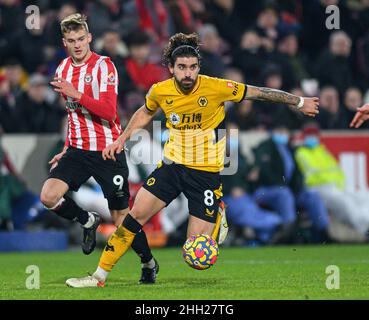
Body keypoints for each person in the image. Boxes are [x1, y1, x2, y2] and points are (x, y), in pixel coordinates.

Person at [66, 32, 319, 287]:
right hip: (172, 167)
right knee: (133, 217)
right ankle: (99, 276)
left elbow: (259, 93)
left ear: (199, 67)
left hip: (205, 174)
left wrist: (298, 101)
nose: (188, 73)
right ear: (171, 68)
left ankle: (218, 213)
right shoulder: (161, 91)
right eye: (182, 68)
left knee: (196, 257)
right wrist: (122, 138)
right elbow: (146, 112)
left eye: (193, 67)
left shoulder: (217, 87)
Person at [39, 13, 158, 284]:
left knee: (121, 219)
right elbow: (73, 114)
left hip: (107, 150)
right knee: (48, 197)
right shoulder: (62, 69)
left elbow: (109, 111)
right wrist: (67, 145)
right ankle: (88, 221)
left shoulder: (105, 66)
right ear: (64, 42)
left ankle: (148, 262)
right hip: (78, 151)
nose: (78, 45)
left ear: (90, 37)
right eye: (71, 40)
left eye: (81, 39)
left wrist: (77, 94)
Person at [252, 122, 332, 243]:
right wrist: (285, 186)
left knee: (312, 195)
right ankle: (288, 232)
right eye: (279, 131)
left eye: (284, 131)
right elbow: (265, 174)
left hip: (289, 190)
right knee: (284, 194)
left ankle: (323, 232)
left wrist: (297, 187)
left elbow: (297, 173)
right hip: (267, 190)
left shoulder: (291, 149)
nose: (282, 134)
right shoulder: (265, 147)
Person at [295, 123, 369, 236]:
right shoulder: (301, 153)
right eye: (309, 135)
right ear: (304, 137)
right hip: (317, 188)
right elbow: (313, 174)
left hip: (335, 186)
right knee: (346, 203)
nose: (312, 138)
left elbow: (337, 170)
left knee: (363, 196)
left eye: (314, 135)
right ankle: (364, 229)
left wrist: (339, 184)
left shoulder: (322, 151)